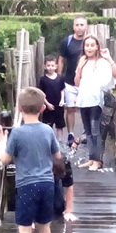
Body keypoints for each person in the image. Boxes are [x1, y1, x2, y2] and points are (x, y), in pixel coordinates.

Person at [0, 87, 63, 233]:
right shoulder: (48, 130)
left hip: (27, 186)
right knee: (44, 225)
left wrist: (1, 142)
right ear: (42, 109)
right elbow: (57, 156)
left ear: (20, 108)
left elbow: (4, 160)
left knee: (24, 230)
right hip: (47, 184)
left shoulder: (18, 133)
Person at [38, 55, 78, 221]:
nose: (51, 67)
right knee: (48, 125)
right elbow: (41, 93)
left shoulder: (60, 78)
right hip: (48, 105)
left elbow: (62, 90)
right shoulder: (42, 79)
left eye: (53, 65)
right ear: (45, 66)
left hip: (58, 105)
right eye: (48, 65)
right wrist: (46, 104)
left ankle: (59, 144)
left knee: (59, 125)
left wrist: (62, 101)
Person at [74, 35, 116, 172]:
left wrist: (109, 58)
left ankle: (98, 160)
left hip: (97, 100)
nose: (89, 48)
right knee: (88, 131)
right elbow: (77, 82)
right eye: (86, 45)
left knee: (96, 130)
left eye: (92, 45)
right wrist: (79, 67)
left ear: (97, 47)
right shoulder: (82, 61)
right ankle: (91, 158)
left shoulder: (102, 62)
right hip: (84, 100)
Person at [57, 15, 88, 148]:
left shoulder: (89, 41)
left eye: (82, 25)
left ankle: (87, 134)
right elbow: (61, 59)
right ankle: (70, 134)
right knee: (70, 109)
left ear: (86, 26)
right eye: (77, 25)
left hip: (87, 82)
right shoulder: (67, 41)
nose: (79, 27)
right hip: (69, 81)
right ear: (73, 26)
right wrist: (59, 78)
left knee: (87, 108)